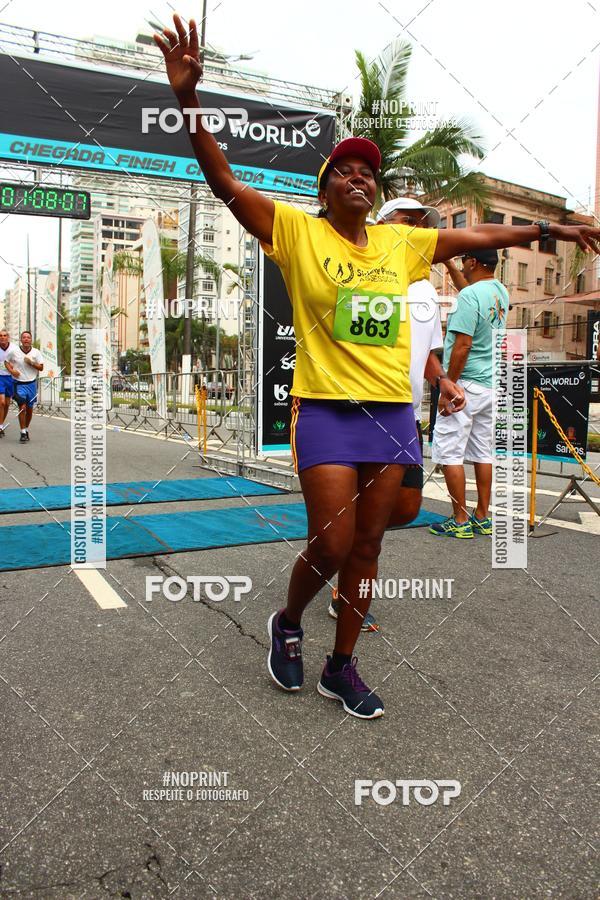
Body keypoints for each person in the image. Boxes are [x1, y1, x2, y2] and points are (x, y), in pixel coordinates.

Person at [155, 13, 600, 719]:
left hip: (391, 413)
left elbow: (477, 233)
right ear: (326, 188)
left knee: (369, 546)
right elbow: (223, 181)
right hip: (327, 410)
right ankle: (290, 619)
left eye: (370, 174)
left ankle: (343, 665)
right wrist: (187, 98)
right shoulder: (295, 232)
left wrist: (550, 227)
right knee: (330, 543)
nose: (362, 180)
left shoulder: (400, 244)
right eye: (348, 172)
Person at [328, 197, 466, 632]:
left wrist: (443, 380)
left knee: (405, 508)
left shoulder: (427, 291)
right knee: (363, 524)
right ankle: (345, 589)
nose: (420, 234)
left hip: (403, 415)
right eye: (411, 223)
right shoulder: (368, 277)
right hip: (360, 411)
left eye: (424, 226)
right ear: (387, 226)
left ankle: (350, 553)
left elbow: (428, 352)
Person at [430, 249, 508, 538]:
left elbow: (462, 345)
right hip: (490, 385)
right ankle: (481, 516)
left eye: (463, 260)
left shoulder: (469, 297)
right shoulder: (499, 291)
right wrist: (449, 264)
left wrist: (447, 385)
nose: (462, 265)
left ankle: (459, 520)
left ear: (473, 262)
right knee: (482, 452)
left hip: (464, 384)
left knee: (451, 453)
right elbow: (468, 290)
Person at [4, 331, 44, 443]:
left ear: (31, 340)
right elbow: (6, 362)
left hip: (31, 384)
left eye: (28, 337)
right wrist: (12, 371)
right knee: (22, 407)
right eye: (24, 337)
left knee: (30, 410)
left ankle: (26, 429)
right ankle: (22, 432)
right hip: (18, 384)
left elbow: (41, 368)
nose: (26, 339)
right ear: (21, 340)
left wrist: (31, 363)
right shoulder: (14, 351)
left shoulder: (36, 352)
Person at [0, 329, 17, 438]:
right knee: (1, 402)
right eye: (0, 335)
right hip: (0, 378)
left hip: (10, 378)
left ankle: (1, 424)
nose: (2, 337)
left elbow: (18, 361)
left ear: (8, 337)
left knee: (6, 404)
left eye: (5, 335)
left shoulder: (14, 348)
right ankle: (0, 426)